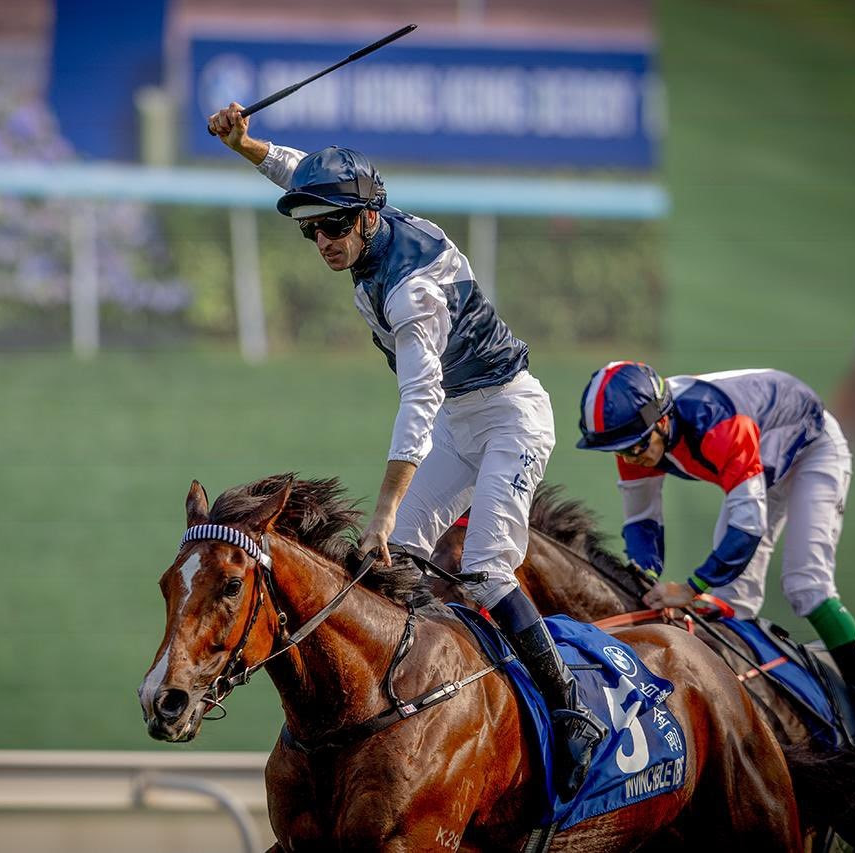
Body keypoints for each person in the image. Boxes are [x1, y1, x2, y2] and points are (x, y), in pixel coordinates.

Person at [206, 102, 606, 797]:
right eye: (311, 231)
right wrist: (243, 143)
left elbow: (417, 405)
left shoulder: (413, 292)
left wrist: (385, 508)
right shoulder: (367, 219)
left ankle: (570, 705)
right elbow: (299, 170)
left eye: (333, 227)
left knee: (483, 566)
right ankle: (426, 691)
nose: (323, 241)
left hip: (510, 418)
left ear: (366, 218)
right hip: (462, 417)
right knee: (404, 561)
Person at [574, 361, 855, 744]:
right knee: (733, 603)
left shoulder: (718, 423)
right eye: (617, 450)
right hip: (760, 458)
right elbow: (643, 521)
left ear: (662, 422)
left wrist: (692, 587)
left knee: (806, 584)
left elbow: (746, 529)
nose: (630, 459)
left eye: (634, 447)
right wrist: (645, 575)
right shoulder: (636, 437)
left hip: (811, 447)